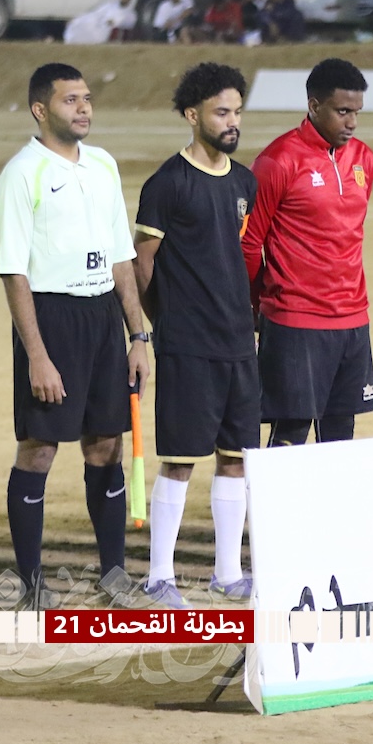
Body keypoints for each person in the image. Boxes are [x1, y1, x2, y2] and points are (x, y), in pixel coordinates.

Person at [0, 64, 151, 608]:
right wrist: (37, 356)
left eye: (86, 98)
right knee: (39, 449)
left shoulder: (104, 164)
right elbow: (14, 272)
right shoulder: (22, 174)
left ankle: (114, 576)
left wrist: (138, 335)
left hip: (103, 317)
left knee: (106, 445)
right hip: (52, 319)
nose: (84, 108)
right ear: (41, 110)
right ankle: (31, 582)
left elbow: (121, 257)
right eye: (70, 100)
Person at [132, 63, 258, 608]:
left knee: (235, 458)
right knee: (181, 459)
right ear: (192, 115)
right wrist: (163, 324)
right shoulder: (167, 183)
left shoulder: (244, 181)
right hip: (187, 343)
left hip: (239, 342)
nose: (232, 122)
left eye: (237, 112)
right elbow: (143, 264)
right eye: (221, 112)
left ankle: (227, 573)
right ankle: (159, 576)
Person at [242, 58, 373, 446]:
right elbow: (249, 244)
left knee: (341, 434)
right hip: (296, 321)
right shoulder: (277, 160)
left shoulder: (363, 158)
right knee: (291, 431)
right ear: (314, 105)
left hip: (353, 319)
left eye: (357, 112)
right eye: (342, 111)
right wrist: (259, 304)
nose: (352, 122)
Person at [64, 0, 137, 44]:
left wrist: (115, 22)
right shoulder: (110, 6)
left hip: (110, 31)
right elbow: (96, 13)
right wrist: (77, 19)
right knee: (85, 23)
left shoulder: (130, 12)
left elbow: (129, 23)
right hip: (100, 25)